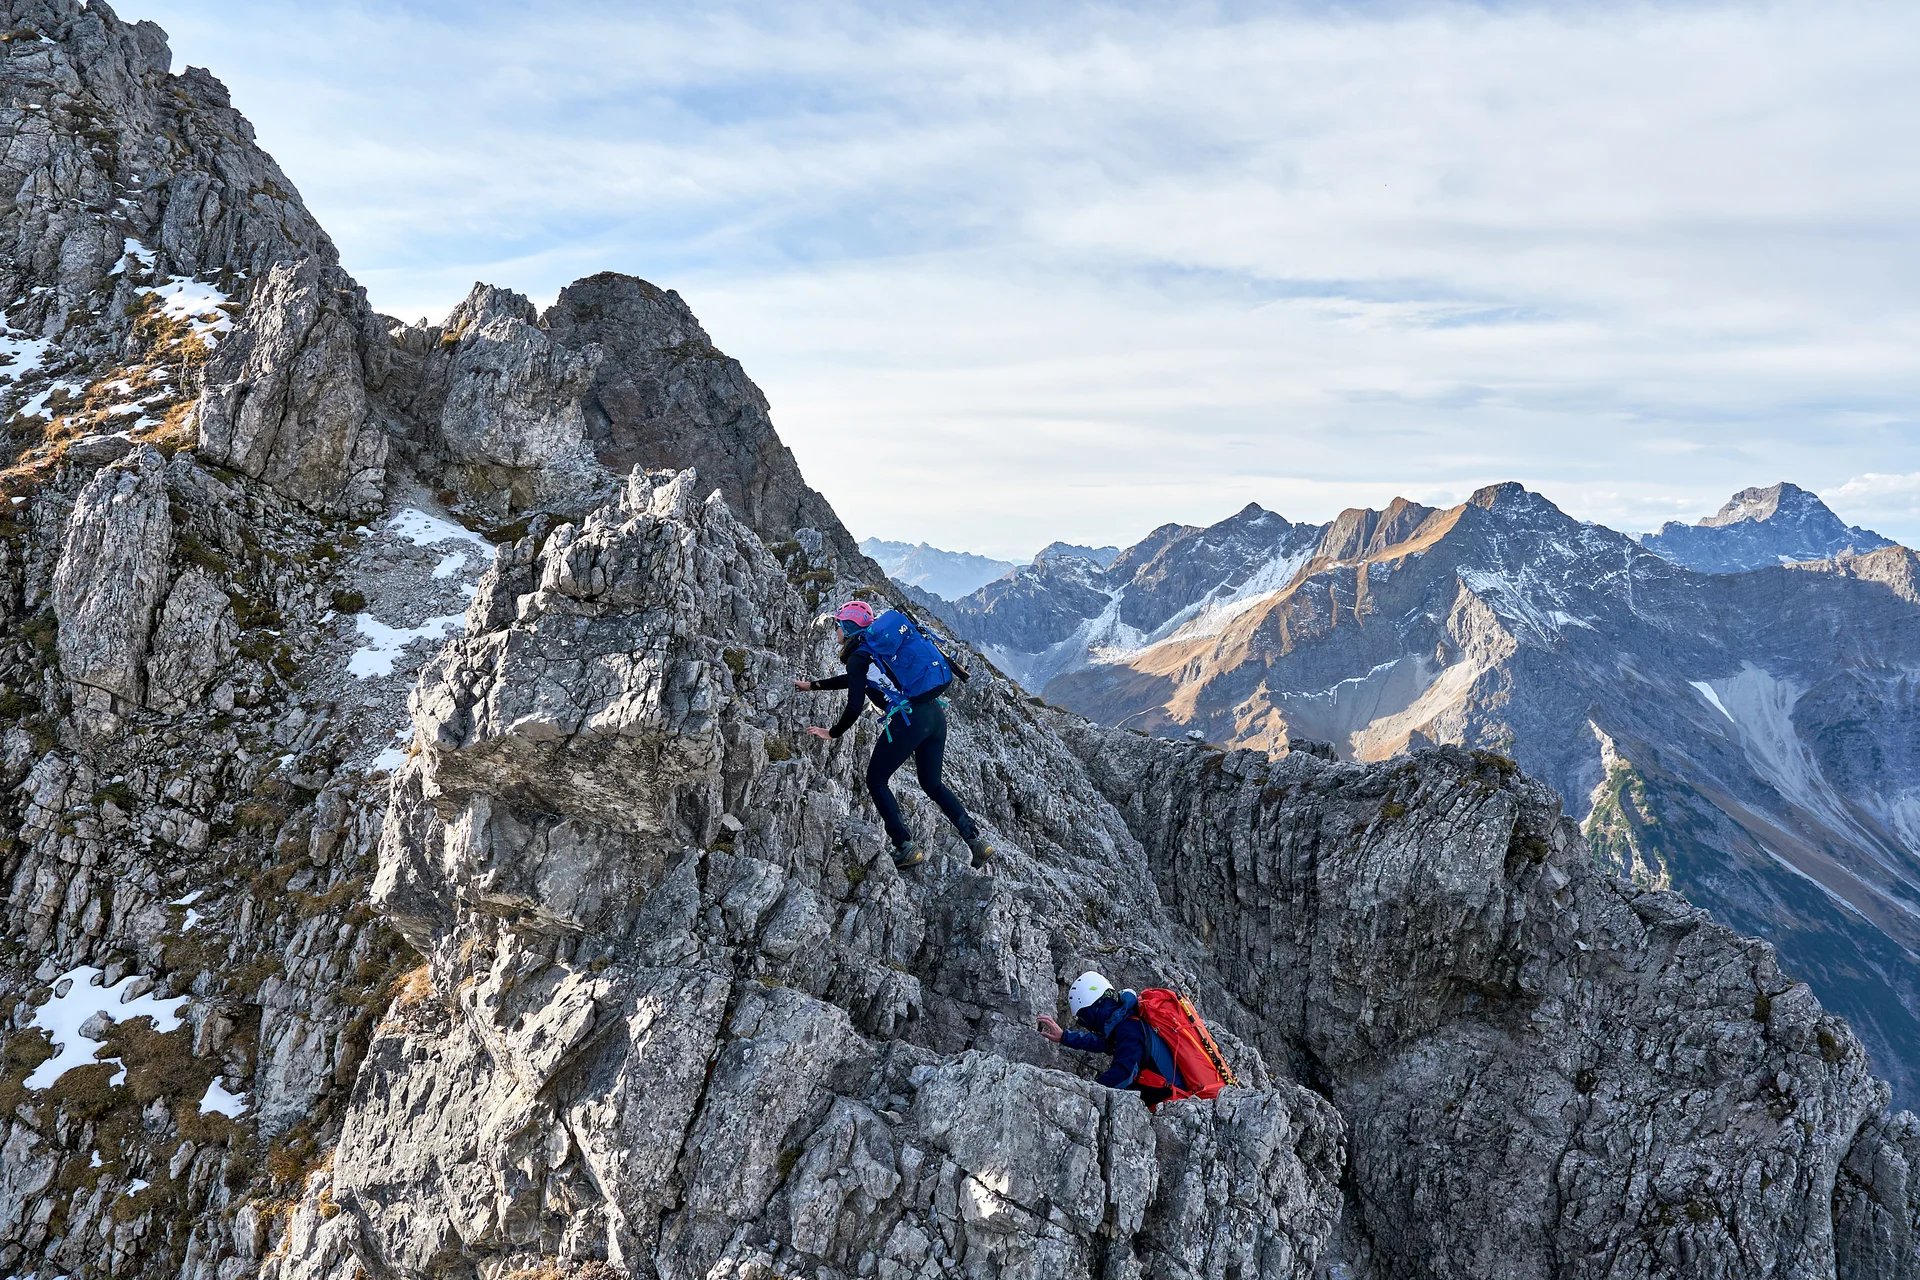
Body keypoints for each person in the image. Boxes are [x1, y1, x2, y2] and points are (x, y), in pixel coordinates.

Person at [795, 599, 994, 869]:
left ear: (849, 627)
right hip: (933, 715)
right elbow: (854, 681)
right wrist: (812, 686)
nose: (835, 632)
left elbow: (854, 705)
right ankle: (976, 841)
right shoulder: (876, 653)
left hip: (908, 720)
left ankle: (904, 845)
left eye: (838, 626)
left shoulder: (858, 657)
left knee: (876, 779)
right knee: (933, 785)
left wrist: (832, 732)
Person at [1037, 971, 1184, 1107]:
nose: (1087, 1024)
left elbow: (1123, 1073)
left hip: (1173, 1102)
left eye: (1085, 1017)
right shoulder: (1127, 1021)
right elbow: (1100, 1042)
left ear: (1096, 1007)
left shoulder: (1129, 1029)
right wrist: (1064, 1036)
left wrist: (1086, 1094)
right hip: (1164, 1099)